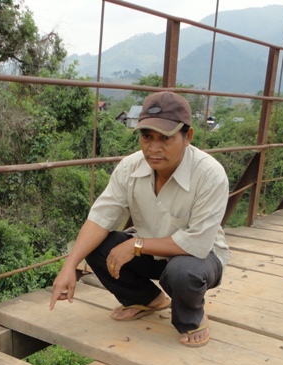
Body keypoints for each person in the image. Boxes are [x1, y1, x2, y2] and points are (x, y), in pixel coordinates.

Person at [49, 91, 230, 348]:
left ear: (187, 137)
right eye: (147, 137)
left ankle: (192, 316)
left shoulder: (209, 174)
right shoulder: (129, 167)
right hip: (151, 252)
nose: (153, 148)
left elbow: (197, 244)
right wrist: (69, 265)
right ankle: (147, 299)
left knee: (182, 272)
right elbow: (100, 218)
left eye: (165, 138)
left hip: (200, 258)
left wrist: (136, 245)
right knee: (97, 247)